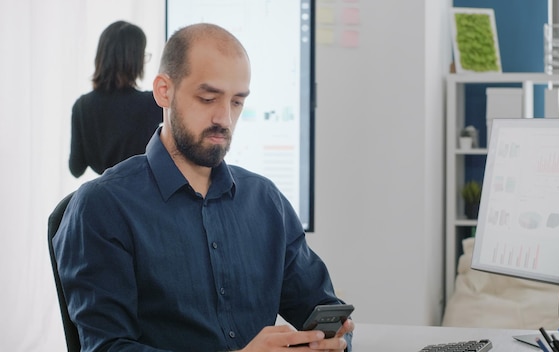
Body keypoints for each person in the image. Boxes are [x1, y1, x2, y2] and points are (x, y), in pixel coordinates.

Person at [53, 23, 354, 351]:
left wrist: (334, 340)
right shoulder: (101, 208)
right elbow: (106, 348)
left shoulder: (266, 202)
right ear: (163, 91)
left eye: (237, 102)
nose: (224, 118)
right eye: (208, 98)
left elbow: (325, 312)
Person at [69, 20, 162, 177]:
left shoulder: (82, 106)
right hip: (140, 197)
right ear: (134, 60)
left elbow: (76, 168)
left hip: (103, 198)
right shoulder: (151, 104)